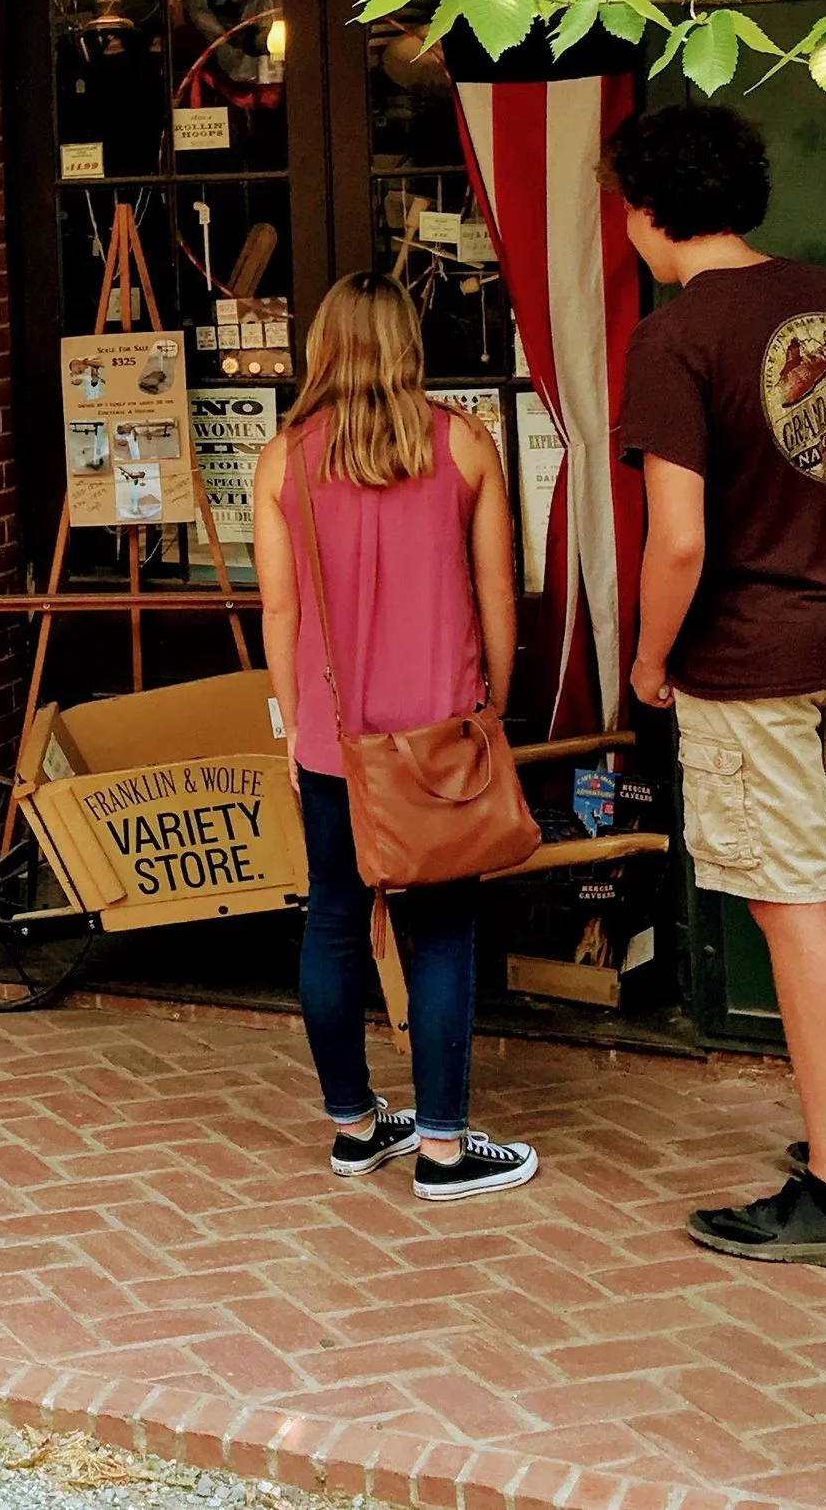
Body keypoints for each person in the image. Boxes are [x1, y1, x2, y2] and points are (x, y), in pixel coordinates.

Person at [608, 103, 826, 1268]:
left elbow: (678, 540)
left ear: (644, 213)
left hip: (752, 659)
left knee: (792, 907)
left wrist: (649, 658)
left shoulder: (674, 335)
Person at [253, 272, 536, 1201]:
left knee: (332, 919)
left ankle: (353, 1129)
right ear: (409, 341)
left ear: (321, 345)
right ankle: (445, 1150)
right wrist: (492, 699)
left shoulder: (282, 461)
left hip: (334, 738)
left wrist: (293, 727)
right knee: (441, 928)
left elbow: (281, 611)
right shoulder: (463, 443)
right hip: (440, 737)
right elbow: (498, 592)